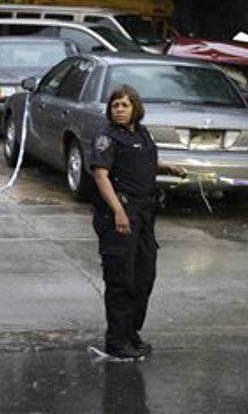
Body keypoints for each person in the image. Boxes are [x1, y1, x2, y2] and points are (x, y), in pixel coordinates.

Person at [91, 84, 187, 359]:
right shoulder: (107, 137)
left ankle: (131, 333)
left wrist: (165, 167)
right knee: (121, 278)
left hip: (145, 213)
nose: (119, 109)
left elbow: (138, 161)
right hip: (120, 213)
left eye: (125, 105)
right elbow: (101, 175)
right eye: (115, 105)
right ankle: (117, 341)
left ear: (135, 108)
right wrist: (118, 210)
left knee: (143, 277)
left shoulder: (142, 133)